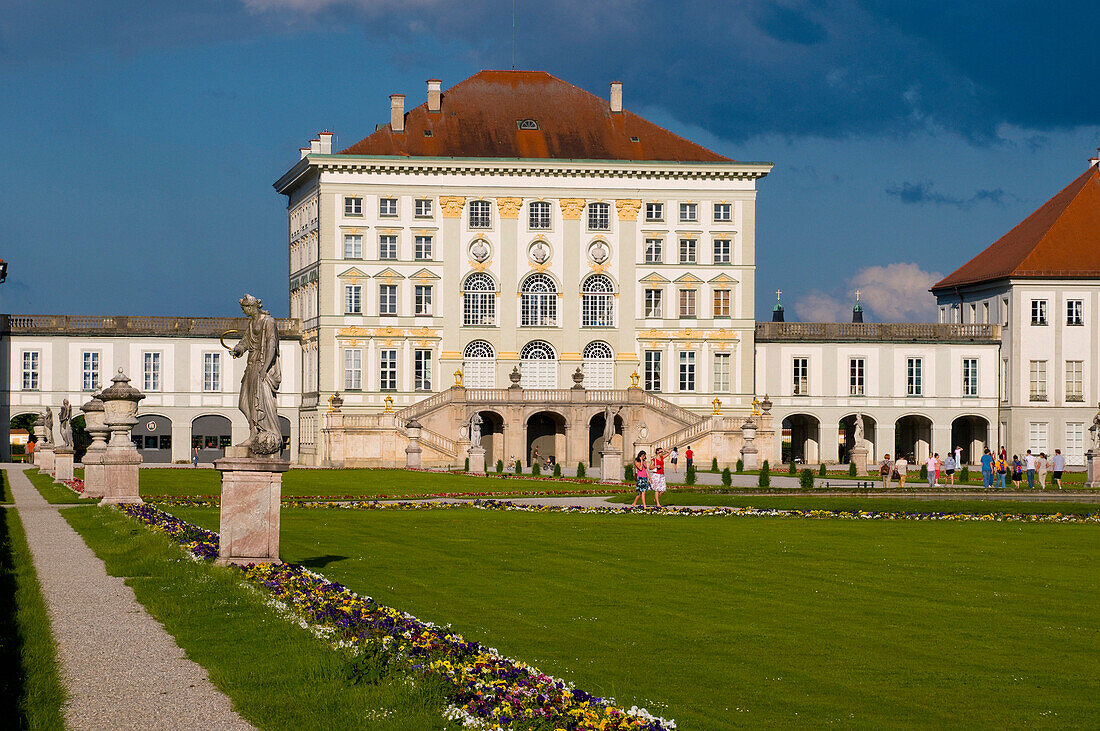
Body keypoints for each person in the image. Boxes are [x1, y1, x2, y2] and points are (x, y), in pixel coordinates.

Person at [229, 294, 283, 455]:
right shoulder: (252, 323)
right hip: (251, 365)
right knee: (245, 402)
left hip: (261, 367)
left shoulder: (268, 321)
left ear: (252, 306)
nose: (243, 311)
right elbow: (245, 341)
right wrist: (238, 349)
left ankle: (266, 433)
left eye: (244, 308)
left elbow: (271, 345)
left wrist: (264, 368)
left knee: (262, 403)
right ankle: (254, 434)